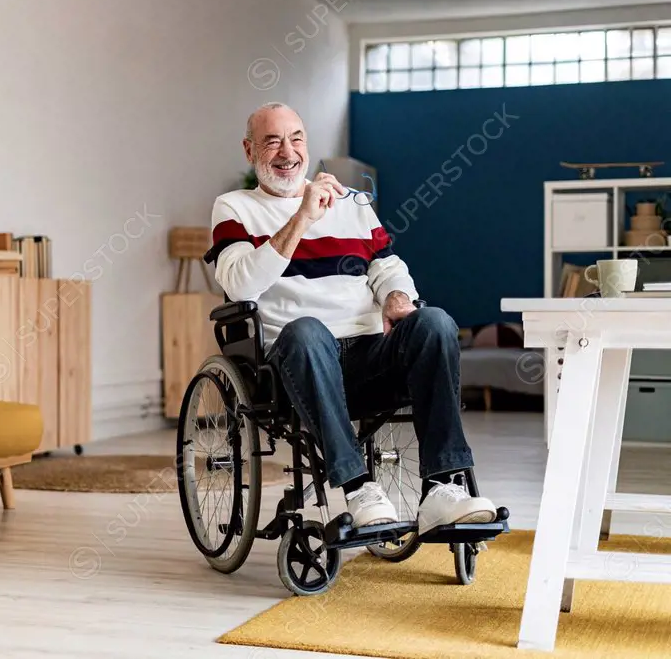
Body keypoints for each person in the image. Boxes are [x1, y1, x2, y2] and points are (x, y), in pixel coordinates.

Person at [207, 102, 496, 534]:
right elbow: (240, 285)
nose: (287, 151)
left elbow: (387, 265)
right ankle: (359, 488)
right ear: (250, 152)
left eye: (296, 138)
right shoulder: (234, 208)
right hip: (297, 362)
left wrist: (398, 297)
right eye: (272, 141)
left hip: (368, 356)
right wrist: (302, 217)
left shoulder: (351, 203)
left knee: (433, 322)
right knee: (306, 331)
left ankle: (441, 488)